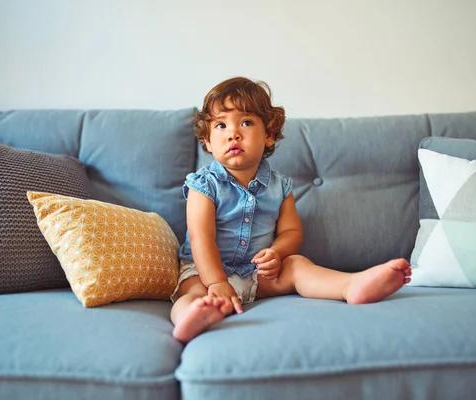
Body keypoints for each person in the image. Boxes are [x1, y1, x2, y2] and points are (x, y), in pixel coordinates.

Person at [170, 77, 411, 343]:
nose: (233, 133)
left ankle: (350, 285)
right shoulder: (203, 185)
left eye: (246, 122)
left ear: (269, 135)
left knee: (296, 265)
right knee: (191, 293)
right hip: (204, 272)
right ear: (207, 141)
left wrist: (277, 252)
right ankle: (190, 318)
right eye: (221, 125)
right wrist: (216, 282)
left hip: (256, 275)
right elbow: (201, 237)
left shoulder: (279, 186)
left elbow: (292, 231)